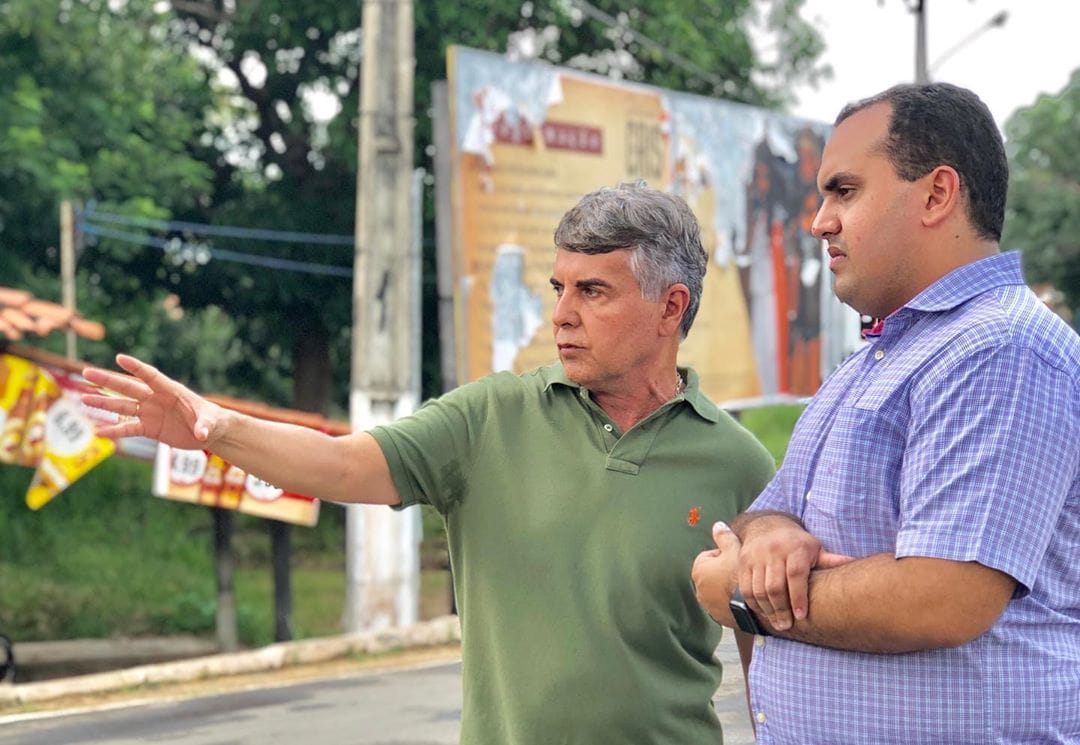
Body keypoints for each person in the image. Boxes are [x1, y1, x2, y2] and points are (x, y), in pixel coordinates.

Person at [84, 182, 776, 745]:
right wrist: (218, 429)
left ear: (670, 307)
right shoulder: (489, 418)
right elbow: (344, 464)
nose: (560, 314)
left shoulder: (738, 462)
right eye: (558, 287)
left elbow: (766, 656)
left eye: (592, 291)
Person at [692, 82, 1080, 744]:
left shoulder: (998, 348)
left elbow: (942, 597)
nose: (819, 221)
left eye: (844, 190)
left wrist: (741, 591)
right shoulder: (871, 362)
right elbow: (766, 507)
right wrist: (770, 538)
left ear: (936, 194)